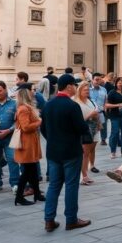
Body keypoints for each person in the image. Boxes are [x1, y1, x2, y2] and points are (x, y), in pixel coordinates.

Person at [41, 74, 91, 232]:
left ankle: (49, 220)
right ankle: (71, 219)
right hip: (71, 151)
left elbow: (43, 128)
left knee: (54, 186)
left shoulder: (48, 105)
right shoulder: (71, 105)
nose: (75, 88)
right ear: (69, 86)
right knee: (71, 185)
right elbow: (82, 128)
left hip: (53, 151)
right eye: (74, 86)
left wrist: (53, 139)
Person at [12, 84, 43, 206]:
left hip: (29, 142)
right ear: (27, 92)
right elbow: (25, 127)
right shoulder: (24, 109)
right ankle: (19, 197)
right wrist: (38, 122)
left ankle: (37, 194)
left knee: (33, 170)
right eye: (32, 90)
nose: (34, 91)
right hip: (26, 143)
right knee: (27, 172)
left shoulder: (25, 107)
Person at [73, 82, 100, 185]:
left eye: (88, 90)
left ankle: (85, 173)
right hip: (84, 129)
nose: (87, 92)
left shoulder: (90, 101)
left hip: (93, 128)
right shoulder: (76, 103)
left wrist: (98, 122)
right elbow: (77, 121)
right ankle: (83, 176)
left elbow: (95, 112)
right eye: (85, 90)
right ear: (79, 91)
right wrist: (91, 115)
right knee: (84, 154)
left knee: (88, 152)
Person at [106, 77, 122, 159]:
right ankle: (113, 151)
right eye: (119, 82)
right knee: (115, 133)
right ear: (115, 83)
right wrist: (118, 105)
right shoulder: (112, 93)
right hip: (114, 116)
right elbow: (107, 105)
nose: (120, 84)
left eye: (121, 82)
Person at [89, 73, 108, 148]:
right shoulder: (88, 89)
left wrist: (105, 108)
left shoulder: (103, 89)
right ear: (92, 80)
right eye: (96, 79)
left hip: (101, 111)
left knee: (104, 126)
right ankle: (91, 139)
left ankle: (103, 139)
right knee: (92, 126)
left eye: (99, 79)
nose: (98, 81)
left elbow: (105, 100)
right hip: (91, 112)